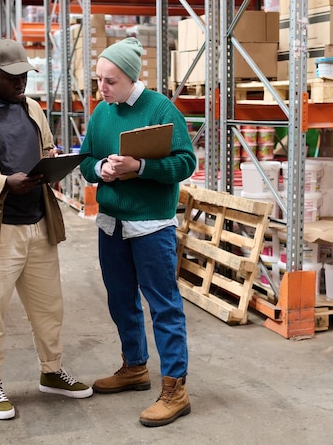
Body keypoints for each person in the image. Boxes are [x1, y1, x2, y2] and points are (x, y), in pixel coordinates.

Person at [0, 38, 92, 421]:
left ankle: (51, 370)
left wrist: (54, 165)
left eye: (24, 76)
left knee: (49, 308)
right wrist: (2, 183)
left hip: (39, 223)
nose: (20, 83)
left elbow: (44, 150)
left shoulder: (33, 108)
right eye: (11, 77)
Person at [78, 37, 196, 427]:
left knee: (163, 305)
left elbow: (184, 163)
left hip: (150, 226)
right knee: (120, 299)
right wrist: (102, 171)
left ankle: (175, 389)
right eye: (98, 80)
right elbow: (86, 158)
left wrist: (140, 166)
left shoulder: (161, 110)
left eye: (109, 81)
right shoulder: (101, 112)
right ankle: (134, 367)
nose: (102, 89)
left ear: (130, 79)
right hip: (111, 222)